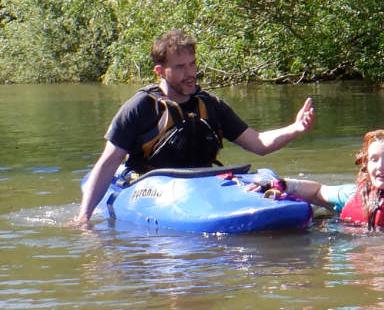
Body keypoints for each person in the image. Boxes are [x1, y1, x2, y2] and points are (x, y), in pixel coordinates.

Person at [75, 29, 316, 224]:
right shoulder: (141, 107)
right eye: (180, 67)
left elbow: (259, 144)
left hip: (203, 184)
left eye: (192, 64)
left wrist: (296, 128)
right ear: (160, 71)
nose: (190, 73)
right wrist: (83, 217)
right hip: (153, 184)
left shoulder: (210, 105)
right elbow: (108, 162)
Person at [274, 129, 384, 229]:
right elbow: (318, 191)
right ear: (366, 165)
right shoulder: (351, 195)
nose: (380, 166)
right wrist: (285, 185)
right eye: (374, 159)